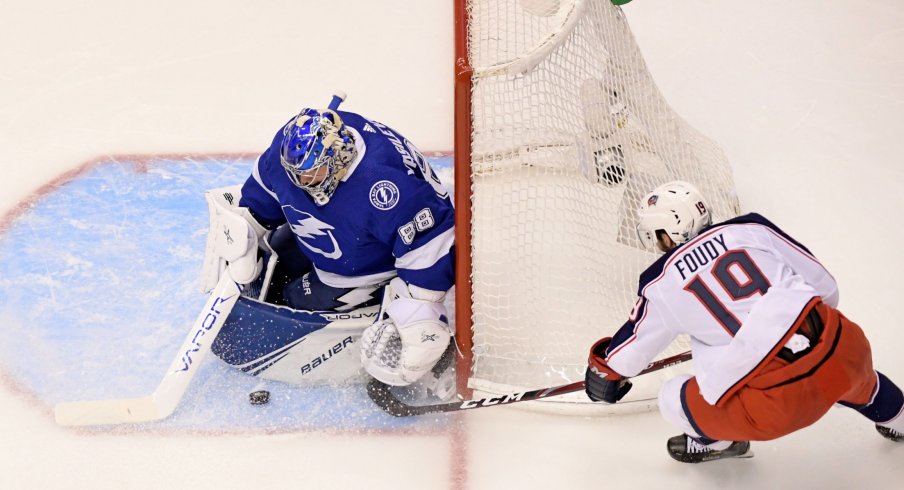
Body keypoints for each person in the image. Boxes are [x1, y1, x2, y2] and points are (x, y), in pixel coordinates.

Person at [584, 180, 904, 463]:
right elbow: (826, 290)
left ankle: (718, 441)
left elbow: (624, 359)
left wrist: (603, 377)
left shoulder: (659, 282)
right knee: (852, 374)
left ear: (667, 233)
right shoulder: (752, 227)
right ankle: (898, 417)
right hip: (844, 349)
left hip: (775, 404)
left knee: (673, 395)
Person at [200, 92, 456, 398]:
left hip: (368, 265)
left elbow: (432, 242)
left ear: (340, 155)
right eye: (297, 173)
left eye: (312, 173)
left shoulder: (384, 187)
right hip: (343, 234)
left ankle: (367, 298)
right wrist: (248, 222)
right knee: (279, 249)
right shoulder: (296, 149)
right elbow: (270, 182)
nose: (303, 181)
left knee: (293, 299)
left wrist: (420, 311)